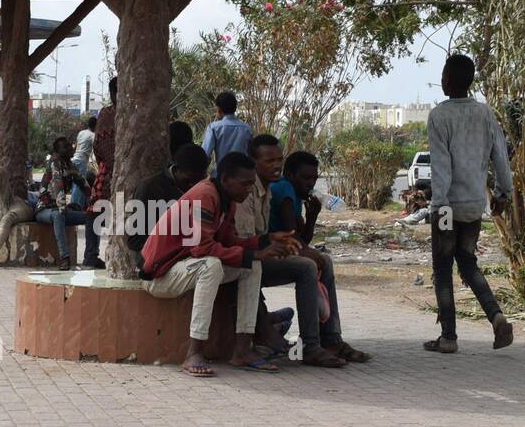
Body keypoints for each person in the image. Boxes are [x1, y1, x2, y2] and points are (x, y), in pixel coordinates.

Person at [140, 151, 298, 377]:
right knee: (211, 265)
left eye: (251, 185)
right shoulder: (206, 195)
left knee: (252, 267)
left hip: (184, 267)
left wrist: (266, 240)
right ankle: (193, 353)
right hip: (160, 276)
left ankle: (242, 350)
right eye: (244, 184)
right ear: (225, 179)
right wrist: (255, 253)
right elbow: (202, 249)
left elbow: (228, 240)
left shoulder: (227, 200)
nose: (248, 190)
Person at [425, 53, 514, 354]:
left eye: (443, 74)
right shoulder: (485, 114)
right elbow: (500, 158)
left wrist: (438, 206)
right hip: (474, 205)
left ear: (447, 80)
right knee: (467, 263)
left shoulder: (439, 116)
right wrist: (503, 193)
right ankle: (497, 316)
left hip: (448, 206)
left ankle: (448, 337)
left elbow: (440, 167)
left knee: (442, 269)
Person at [272, 149, 372, 365]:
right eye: (305, 178)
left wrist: (312, 216)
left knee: (323, 261)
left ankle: (331, 338)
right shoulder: (284, 189)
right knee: (308, 266)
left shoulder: (296, 196)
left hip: (280, 252)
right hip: (267, 253)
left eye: (314, 179)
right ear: (290, 175)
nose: (310, 184)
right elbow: (292, 238)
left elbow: (302, 241)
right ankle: (310, 344)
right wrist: (309, 253)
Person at [125, 143, 208, 265]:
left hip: (189, 255)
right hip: (158, 260)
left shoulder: (202, 189)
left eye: (198, 180)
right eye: (189, 180)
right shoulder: (150, 187)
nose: (193, 185)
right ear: (176, 169)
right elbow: (135, 241)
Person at [34, 136, 91, 270]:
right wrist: (62, 207)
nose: (69, 148)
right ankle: (64, 257)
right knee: (58, 216)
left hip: (60, 209)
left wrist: (94, 200)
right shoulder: (55, 162)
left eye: (69, 145)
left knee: (92, 217)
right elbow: (58, 185)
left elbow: (83, 183)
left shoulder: (70, 165)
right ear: (57, 151)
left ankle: (91, 257)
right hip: (44, 210)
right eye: (64, 147)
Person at [86, 76, 117, 268]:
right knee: (94, 212)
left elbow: (98, 146)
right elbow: (100, 145)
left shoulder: (107, 114)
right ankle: (91, 255)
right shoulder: (107, 114)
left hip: (108, 170)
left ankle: (94, 255)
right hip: (108, 172)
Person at [200, 90, 253, 171]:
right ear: (235, 108)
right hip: (242, 175)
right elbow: (251, 154)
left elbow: (205, 154)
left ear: (219, 109)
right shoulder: (247, 128)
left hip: (220, 175)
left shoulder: (214, 128)